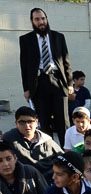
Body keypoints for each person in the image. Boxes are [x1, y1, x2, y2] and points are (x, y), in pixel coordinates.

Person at [19, 8, 73, 146]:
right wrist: (26, 88)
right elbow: (24, 66)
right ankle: (49, 152)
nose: (41, 22)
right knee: (44, 121)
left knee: (63, 121)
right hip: (38, 83)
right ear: (32, 21)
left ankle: (66, 151)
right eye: (37, 19)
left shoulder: (58, 37)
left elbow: (66, 61)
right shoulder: (25, 40)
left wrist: (70, 83)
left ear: (46, 19)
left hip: (58, 81)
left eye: (43, 18)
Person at [2, 106, 63, 179]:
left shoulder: (46, 140)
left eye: (30, 121)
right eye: (22, 122)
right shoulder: (8, 139)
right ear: (16, 124)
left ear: (36, 122)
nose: (27, 125)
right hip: (23, 178)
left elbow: (63, 158)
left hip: (49, 178)